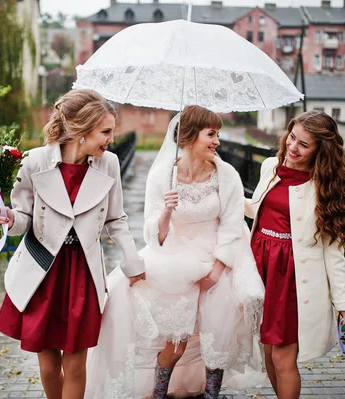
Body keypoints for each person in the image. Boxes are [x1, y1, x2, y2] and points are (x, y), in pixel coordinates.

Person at [85, 105, 267, 399]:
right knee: (175, 343)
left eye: (218, 134)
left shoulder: (228, 176)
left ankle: (211, 394)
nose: (217, 141)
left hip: (218, 258)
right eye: (211, 134)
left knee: (216, 339)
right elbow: (153, 235)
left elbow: (233, 225)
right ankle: (159, 392)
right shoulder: (162, 176)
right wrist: (166, 213)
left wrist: (217, 271)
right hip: (175, 260)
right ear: (191, 136)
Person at [0, 89, 146, 399]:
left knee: (75, 366)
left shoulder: (109, 164)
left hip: (82, 273)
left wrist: (133, 263)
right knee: (49, 366)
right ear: (81, 130)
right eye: (105, 131)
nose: (110, 139)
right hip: (42, 272)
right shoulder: (35, 162)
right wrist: (8, 218)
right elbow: (24, 217)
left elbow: (116, 219)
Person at [245, 110, 345, 399]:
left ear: (321, 150)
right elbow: (257, 209)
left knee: (283, 358)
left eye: (304, 145)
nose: (293, 147)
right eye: (292, 137)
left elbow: (333, 252)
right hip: (260, 266)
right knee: (268, 354)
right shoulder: (270, 166)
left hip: (291, 278)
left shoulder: (323, 189)